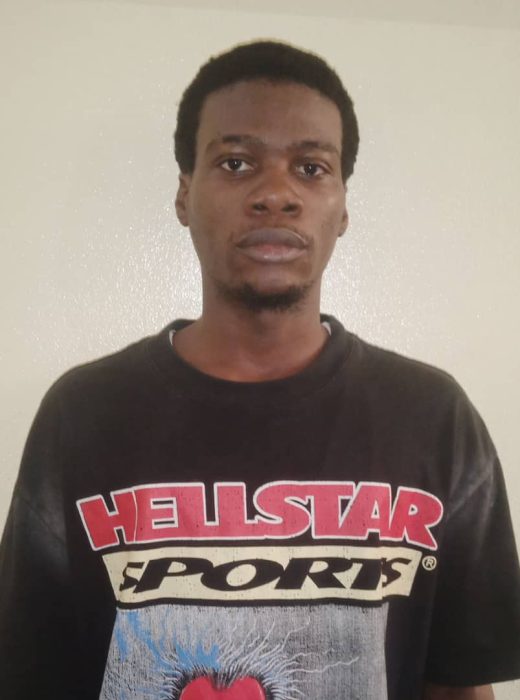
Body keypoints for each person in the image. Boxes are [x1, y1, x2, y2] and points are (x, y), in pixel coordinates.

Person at [1, 40, 519, 700]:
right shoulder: (82, 413)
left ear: (342, 205)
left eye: (310, 168)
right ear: (185, 195)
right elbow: (32, 671)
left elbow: (458, 683)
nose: (276, 193)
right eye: (237, 162)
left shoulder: (433, 416)